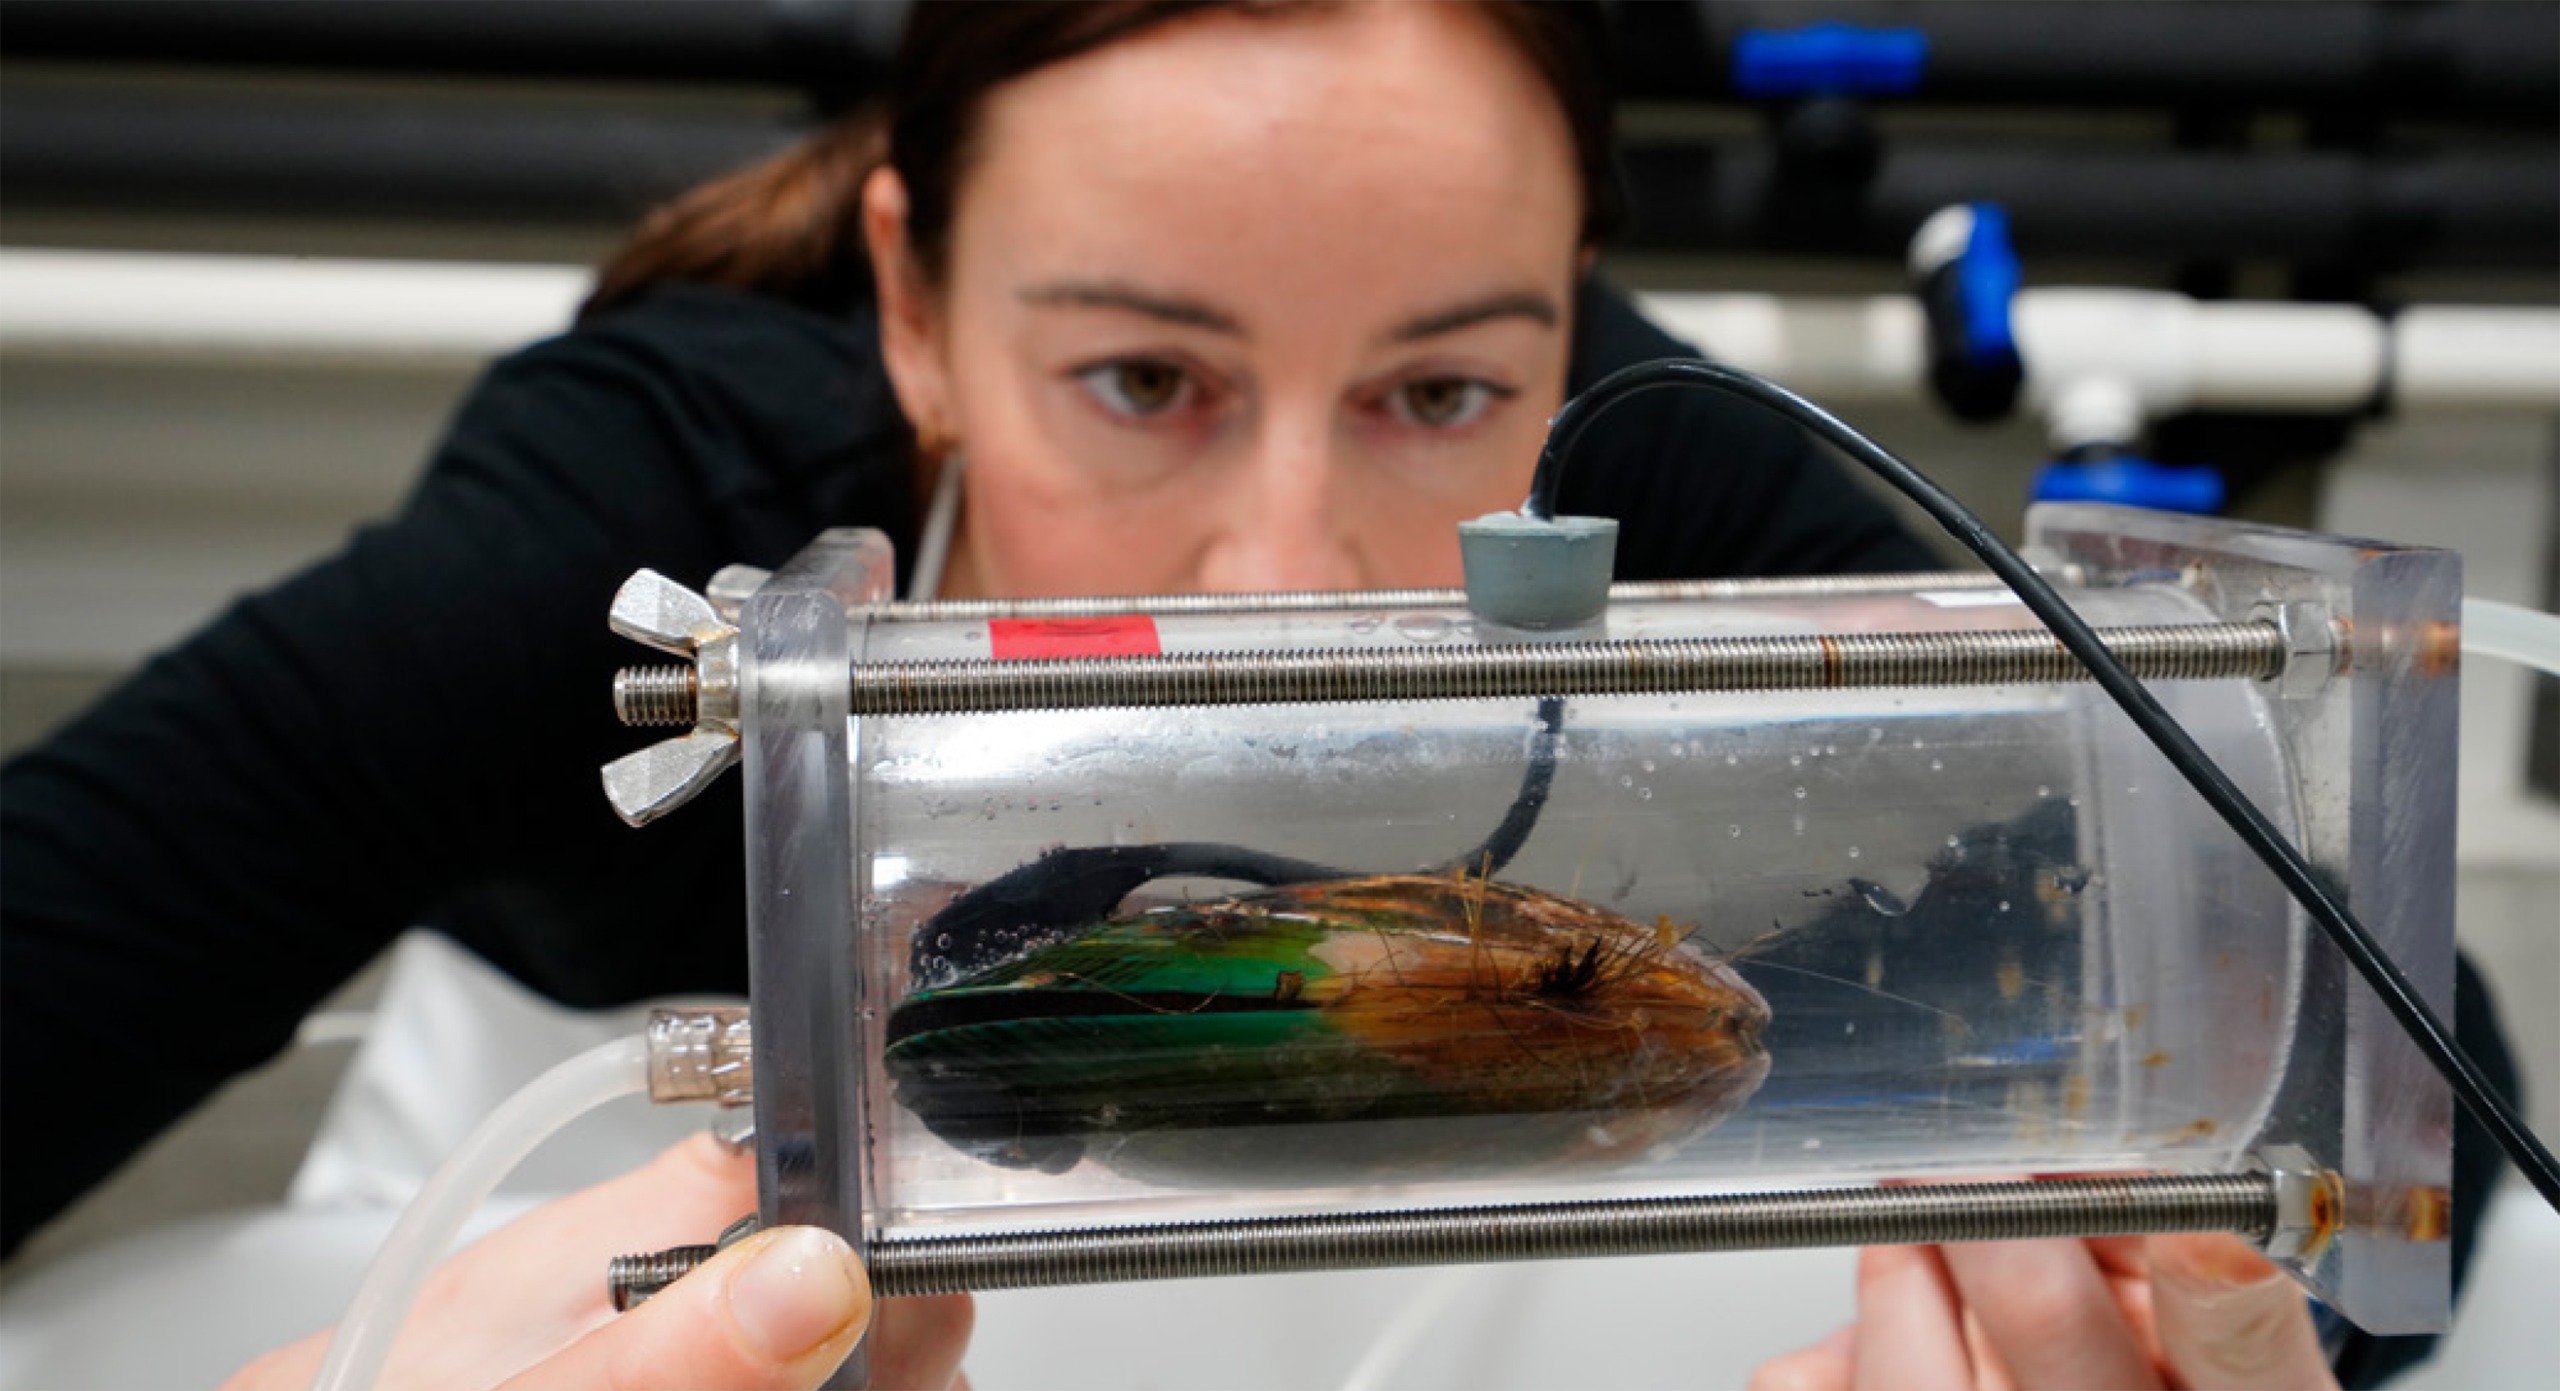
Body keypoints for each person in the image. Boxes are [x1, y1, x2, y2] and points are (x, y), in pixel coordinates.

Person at [0, 2, 2494, 1387]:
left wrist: (2184, 1336)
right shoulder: (628, 522)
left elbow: (2400, 1056)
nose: (1289, 569)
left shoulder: (1640, 470)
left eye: (1437, 394)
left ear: (1567, 319)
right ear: (907, 299)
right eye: (1138, 383)